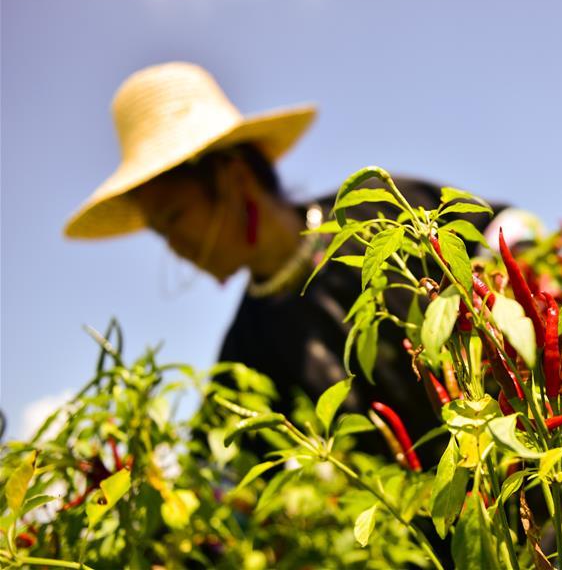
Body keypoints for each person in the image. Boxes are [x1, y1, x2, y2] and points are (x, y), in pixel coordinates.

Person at [64, 62, 500, 463]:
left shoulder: (379, 211)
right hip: (440, 539)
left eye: (174, 218)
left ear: (234, 179)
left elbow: (505, 233)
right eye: (160, 233)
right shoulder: (246, 352)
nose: (174, 246)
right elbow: (220, 475)